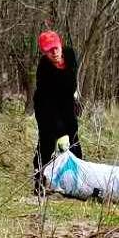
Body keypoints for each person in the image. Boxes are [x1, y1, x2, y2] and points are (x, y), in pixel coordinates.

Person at [32, 30, 82, 194]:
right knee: (47, 142)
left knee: (73, 139)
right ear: (44, 52)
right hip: (46, 106)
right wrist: (59, 130)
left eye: (56, 48)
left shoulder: (70, 54)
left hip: (66, 103)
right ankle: (39, 182)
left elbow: (71, 84)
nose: (54, 52)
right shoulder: (44, 69)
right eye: (49, 50)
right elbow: (48, 99)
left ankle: (77, 181)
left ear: (60, 45)